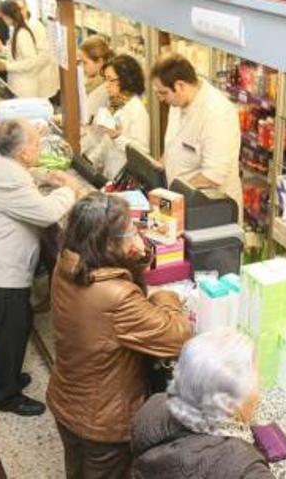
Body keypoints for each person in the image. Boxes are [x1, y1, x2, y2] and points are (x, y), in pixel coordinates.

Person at [46, 192, 192, 478]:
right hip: (103, 421)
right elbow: (178, 335)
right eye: (130, 231)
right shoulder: (116, 296)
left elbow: (116, 278)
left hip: (68, 401)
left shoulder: (67, 264)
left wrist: (138, 254)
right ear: (109, 242)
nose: (136, 234)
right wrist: (167, 298)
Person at [132, 329, 286, 479]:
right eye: (256, 375)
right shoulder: (242, 466)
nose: (260, 384)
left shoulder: (155, 405)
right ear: (230, 404)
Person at [0, 119, 81, 416]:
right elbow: (47, 213)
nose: (39, 146)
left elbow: (24, 176)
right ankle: (6, 395)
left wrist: (45, 175)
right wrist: (69, 189)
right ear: (22, 153)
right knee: (9, 333)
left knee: (16, 327)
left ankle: (9, 377)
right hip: (2, 274)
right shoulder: (9, 178)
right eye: (35, 143)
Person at [151, 54, 241, 208]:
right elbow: (174, 145)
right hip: (180, 200)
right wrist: (156, 168)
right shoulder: (178, 102)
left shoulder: (217, 113)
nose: (161, 98)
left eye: (163, 92)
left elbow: (213, 176)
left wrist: (173, 195)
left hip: (208, 207)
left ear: (180, 86)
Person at [82, 54, 150, 180]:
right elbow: (106, 141)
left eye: (110, 79)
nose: (106, 85)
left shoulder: (137, 110)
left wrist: (117, 137)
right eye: (105, 79)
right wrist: (89, 161)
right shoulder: (115, 104)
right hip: (111, 175)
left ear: (125, 79)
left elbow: (142, 152)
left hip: (126, 180)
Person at [0, 0, 54, 99]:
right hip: (18, 85)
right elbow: (16, 55)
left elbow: (31, 62)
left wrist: (7, 66)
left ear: (8, 16)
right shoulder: (15, 30)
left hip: (25, 87)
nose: (3, 21)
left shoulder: (22, 34)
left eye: (3, 17)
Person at [12, 0, 59, 103]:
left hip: (41, 78)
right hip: (32, 79)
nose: (20, 12)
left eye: (21, 8)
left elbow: (44, 56)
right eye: (16, 10)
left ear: (27, 7)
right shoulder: (19, 26)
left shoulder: (36, 26)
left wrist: (29, 68)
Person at [78, 36, 113, 119]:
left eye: (85, 63)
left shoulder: (106, 88)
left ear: (100, 62)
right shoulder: (89, 81)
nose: (82, 67)